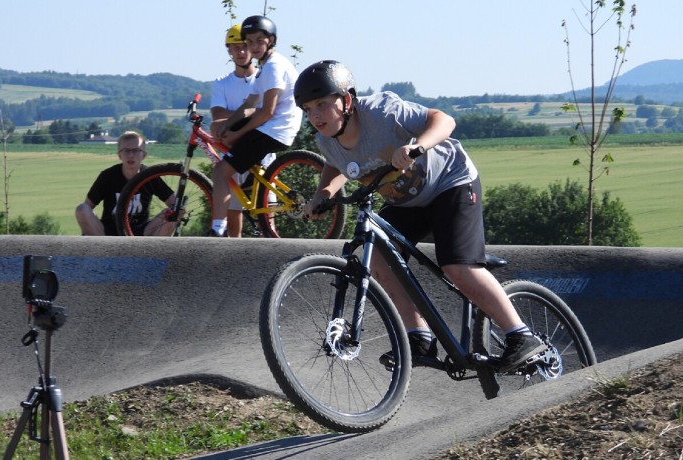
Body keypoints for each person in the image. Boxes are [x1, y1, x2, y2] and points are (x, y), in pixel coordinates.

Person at [294, 60, 548, 372]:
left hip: (450, 183)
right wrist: (325, 193)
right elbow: (335, 164)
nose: (315, 115)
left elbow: (444, 120)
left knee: (457, 266)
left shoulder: (383, 112)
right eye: (308, 109)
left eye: (322, 104)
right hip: (407, 202)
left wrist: (417, 146)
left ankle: (520, 335)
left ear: (346, 100)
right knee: (377, 259)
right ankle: (419, 335)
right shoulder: (325, 139)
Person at [208, 15, 302, 237]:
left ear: (271, 40)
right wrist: (226, 126)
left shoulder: (272, 68)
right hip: (273, 128)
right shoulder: (266, 66)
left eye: (259, 41)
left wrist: (236, 134)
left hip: (274, 129)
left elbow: (266, 111)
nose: (253, 46)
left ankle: (216, 231)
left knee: (221, 171)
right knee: (231, 155)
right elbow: (250, 103)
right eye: (249, 42)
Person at [209, 22, 276, 237]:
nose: (240, 51)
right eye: (234, 47)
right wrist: (249, 112)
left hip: (261, 152)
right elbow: (217, 115)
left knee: (268, 215)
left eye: (244, 46)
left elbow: (266, 110)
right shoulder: (222, 83)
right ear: (228, 51)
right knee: (234, 211)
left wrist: (241, 114)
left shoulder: (263, 77)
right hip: (234, 150)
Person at [75, 131, 178, 236]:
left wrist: (177, 213)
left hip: (141, 233)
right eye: (126, 151)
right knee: (81, 209)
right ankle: (103, 250)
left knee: (173, 213)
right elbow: (87, 207)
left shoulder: (150, 176)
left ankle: (152, 251)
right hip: (109, 232)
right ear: (119, 155)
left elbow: (175, 204)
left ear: (144, 155)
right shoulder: (107, 176)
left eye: (136, 150)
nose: (131, 155)